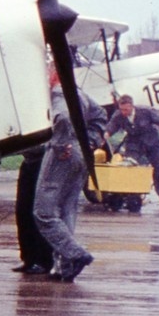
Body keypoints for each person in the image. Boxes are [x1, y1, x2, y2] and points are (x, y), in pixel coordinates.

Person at [34, 65, 108, 282]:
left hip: (62, 155)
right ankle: (64, 265)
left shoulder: (58, 93)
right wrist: (91, 141)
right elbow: (101, 115)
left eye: (48, 71)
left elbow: (63, 118)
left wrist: (59, 144)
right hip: (81, 153)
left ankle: (75, 255)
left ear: (54, 75)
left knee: (43, 212)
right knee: (67, 208)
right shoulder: (81, 94)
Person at [105, 94, 159, 207]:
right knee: (129, 166)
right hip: (134, 144)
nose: (124, 112)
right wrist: (103, 138)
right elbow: (110, 128)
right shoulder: (118, 115)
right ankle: (130, 194)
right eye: (121, 109)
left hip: (152, 143)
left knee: (158, 168)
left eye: (126, 109)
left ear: (132, 106)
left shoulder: (146, 111)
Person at [12, 143, 54, 274]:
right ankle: (28, 258)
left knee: (38, 211)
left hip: (43, 162)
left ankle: (44, 260)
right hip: (29, 160)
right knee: (23, 211)